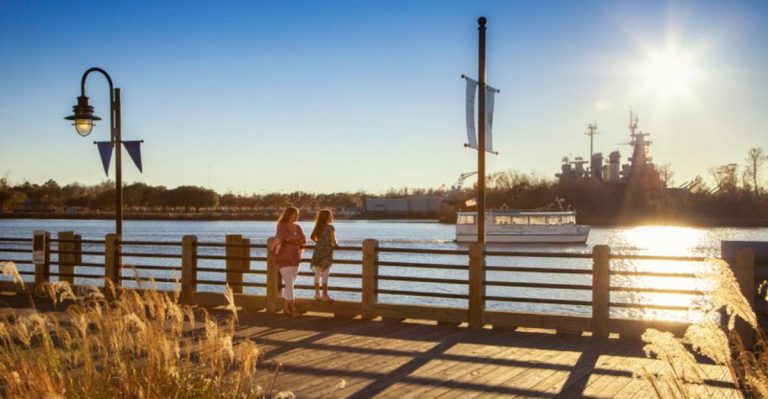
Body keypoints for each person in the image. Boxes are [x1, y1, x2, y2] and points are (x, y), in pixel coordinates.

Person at [271, 206, 306, 316]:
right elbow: (286, 238)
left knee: (289, 285)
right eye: (294, 214)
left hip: (295, 259)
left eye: (297, 214)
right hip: (283, 259)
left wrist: (294, 240)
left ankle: (285, 308)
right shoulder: (282, 226)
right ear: (288, 214)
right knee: (289, 283)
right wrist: (295, 240)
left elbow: (304, 240)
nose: (295, 216)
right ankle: (293, 309)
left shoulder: (298, 227)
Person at [310, 209, 339, 301]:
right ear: (327, 217)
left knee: (317, 273)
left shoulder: (318, 226)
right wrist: (336, 244)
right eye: (330, 215)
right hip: (326, 252)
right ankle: (325, 295)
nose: (331, 217)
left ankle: (317, 294)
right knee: (325, 273)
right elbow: (333, 241)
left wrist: (320, 243)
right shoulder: (330, 227)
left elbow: (312, 237)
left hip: (318, 251)